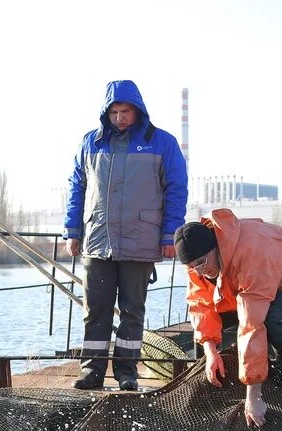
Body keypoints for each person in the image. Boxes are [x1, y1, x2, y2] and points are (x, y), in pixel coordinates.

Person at [64, 80, 188, 391]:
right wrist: (72, 230)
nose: (120, 117)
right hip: (97, 240)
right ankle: (91, 372)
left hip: (141, 240)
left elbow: (176, 190)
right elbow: (77, 188)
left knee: (132, 310)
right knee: (96, 311)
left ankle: (127, 373)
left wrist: (169, 235)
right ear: (106, 113)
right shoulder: (89, 143)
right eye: (114, 112)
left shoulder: (162, 143)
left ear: (138, 111)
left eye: (125, 111)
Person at [175, 210, 282, 427]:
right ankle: (212, 381)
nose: (200, 272)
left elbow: (251, 326)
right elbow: (200, 306)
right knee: (209, 329)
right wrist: (210, 352)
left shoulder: (253, 253)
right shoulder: (198, 264)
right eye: (192, 268)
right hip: (245, 278)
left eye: (202, 263)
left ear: (216, 246)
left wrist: (252, 397)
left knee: (273, 321)